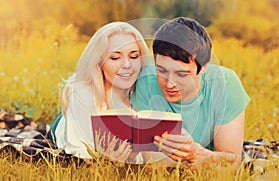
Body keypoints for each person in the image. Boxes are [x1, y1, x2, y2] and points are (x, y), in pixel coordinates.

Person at [130, 17, 250, 168]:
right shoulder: (146, 81)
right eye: (162, 70)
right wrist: (200, 161)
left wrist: (197, 153)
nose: (169, 83)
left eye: (181, 74)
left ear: (203, 68)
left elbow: (232, 162)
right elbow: (152, 162)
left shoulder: (226, 83)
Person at [49, 22, 151, 162]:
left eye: (134, 56)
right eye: (115, 57)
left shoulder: (145, 91)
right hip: (65, 124)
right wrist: (104, 158)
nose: (127, 65)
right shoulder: (81, 93)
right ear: (99, 62)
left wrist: (133, 158)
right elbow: (76, 147)